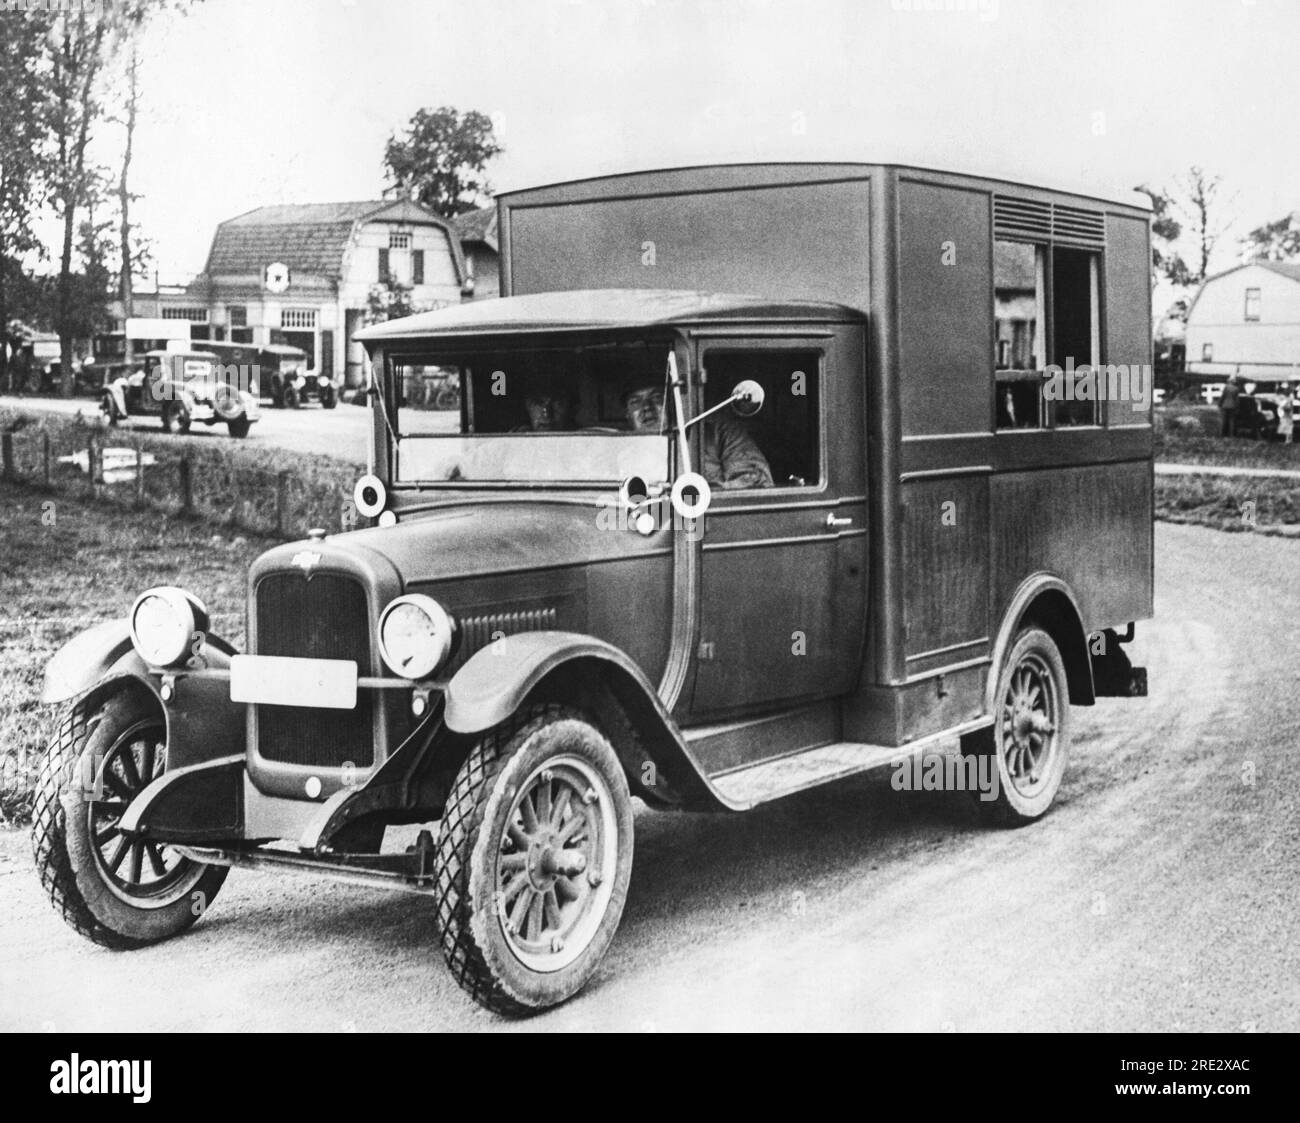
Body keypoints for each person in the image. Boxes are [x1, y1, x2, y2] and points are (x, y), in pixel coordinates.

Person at [623, 381, 773, 490]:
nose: (647, 408)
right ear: (628, 415)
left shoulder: (718, 432)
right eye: (635, 402)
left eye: (656, 398)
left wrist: (701, 493)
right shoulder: (620, 453)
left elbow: (756, 481)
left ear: (674, 403)